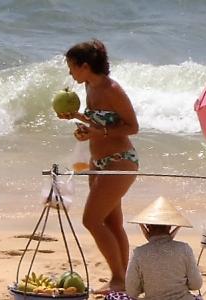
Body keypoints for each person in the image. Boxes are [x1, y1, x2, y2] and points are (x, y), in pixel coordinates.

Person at [59, 39, 139, 294]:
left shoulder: (112, 89)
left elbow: (132, 127)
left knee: (91, 220)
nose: (70, 72)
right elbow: (100, 123)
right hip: (98, 163)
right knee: (112, 223)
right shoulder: (89, 88)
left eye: (72, 67)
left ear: (84, 65)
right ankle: (122, 280)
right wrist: (78, 119)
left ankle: (118, 278)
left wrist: (97, 132)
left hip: (120, 161)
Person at [125, 196, 203, 300]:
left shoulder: (139, 253)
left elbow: (131, 291)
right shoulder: (184, 248)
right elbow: (196, 285)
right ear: (170, 227)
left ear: (148, 227)